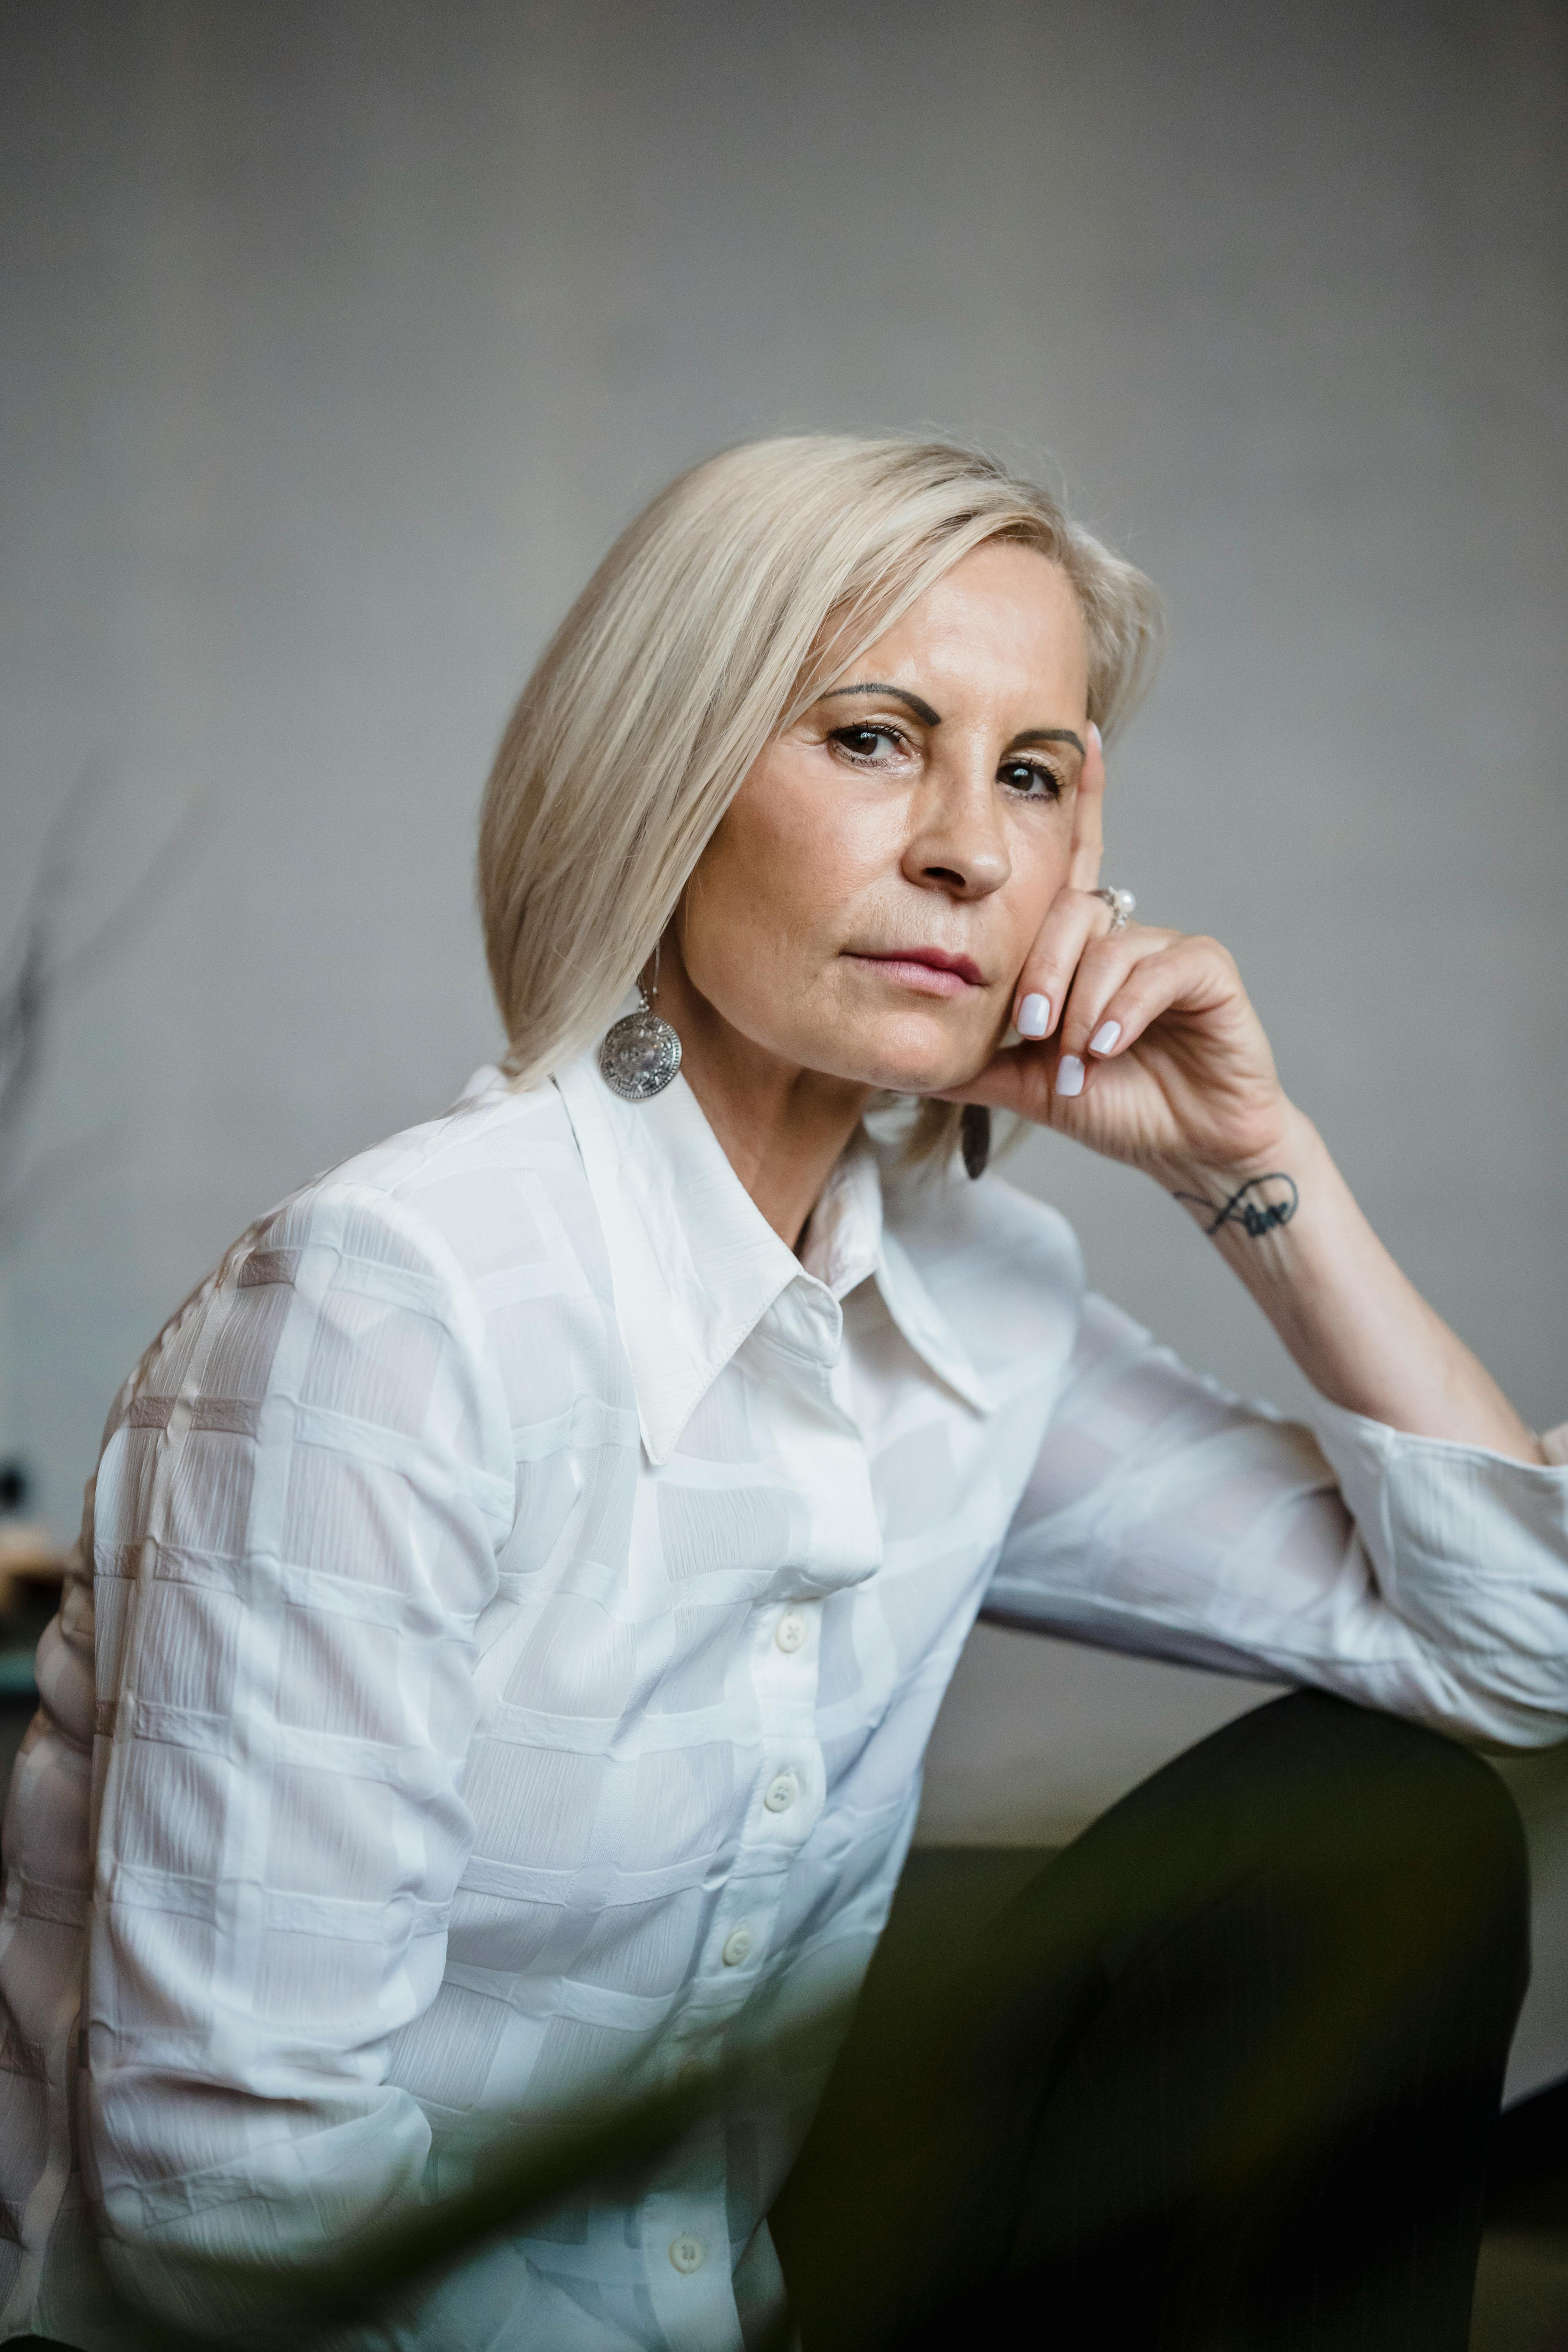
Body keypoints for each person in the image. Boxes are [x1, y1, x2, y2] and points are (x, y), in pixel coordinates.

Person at [0, 434, 1564, 2352]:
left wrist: (1251, 1162)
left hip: (741, 2299)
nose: (965, 851)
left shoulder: (975, 1306)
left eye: (1032, 775)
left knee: (1382, 1823)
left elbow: (1523, 1652)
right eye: (870, 736)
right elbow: (236, 2205)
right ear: (664, 774)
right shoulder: (401, 1307)